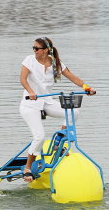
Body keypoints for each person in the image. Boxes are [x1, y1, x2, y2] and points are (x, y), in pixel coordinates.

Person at [19, 37, 95, 182]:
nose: (34, 51)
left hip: (47, 102)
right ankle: (28, 168)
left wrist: (87, 88)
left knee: (74, 112)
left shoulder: (56, 64)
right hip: (30, 105)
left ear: (46, 50)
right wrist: (30, 92)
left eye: (37, 48)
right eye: (33, 48)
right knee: (39, 136)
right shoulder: (29, 60)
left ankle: (57, 143)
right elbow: (22, 79)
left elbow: (72, 77)